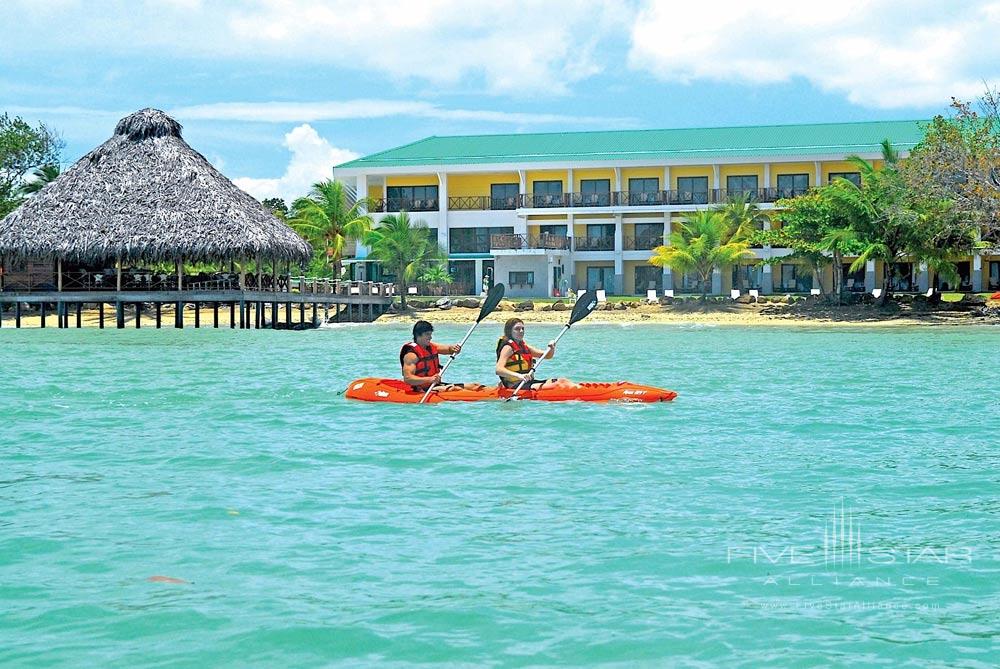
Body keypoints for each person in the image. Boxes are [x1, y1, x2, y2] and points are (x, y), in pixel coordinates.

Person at [495, 318, 576, 390]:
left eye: (523, 328)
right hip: (516, 385)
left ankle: (579, 388)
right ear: (509, 331)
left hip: (528, 383)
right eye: (517, 329)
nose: (521, 331)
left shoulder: (524, 347)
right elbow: (498, 370)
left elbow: (547, 356)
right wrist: (519, 376)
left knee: (562, 380)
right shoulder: (508, 348)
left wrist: (551, 347)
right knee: (557, 385)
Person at [400, 320, 473, 391]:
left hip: (435, 385)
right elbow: (408, 379)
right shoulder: (411, 355)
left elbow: (449, 349)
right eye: (427, 334)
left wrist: (454, 349)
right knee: (455, 389)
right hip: (421, 389)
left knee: (474, 386)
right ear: (418, 335)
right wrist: (430, 379)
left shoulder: (431, 347)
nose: (430, 337)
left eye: (430, 334)